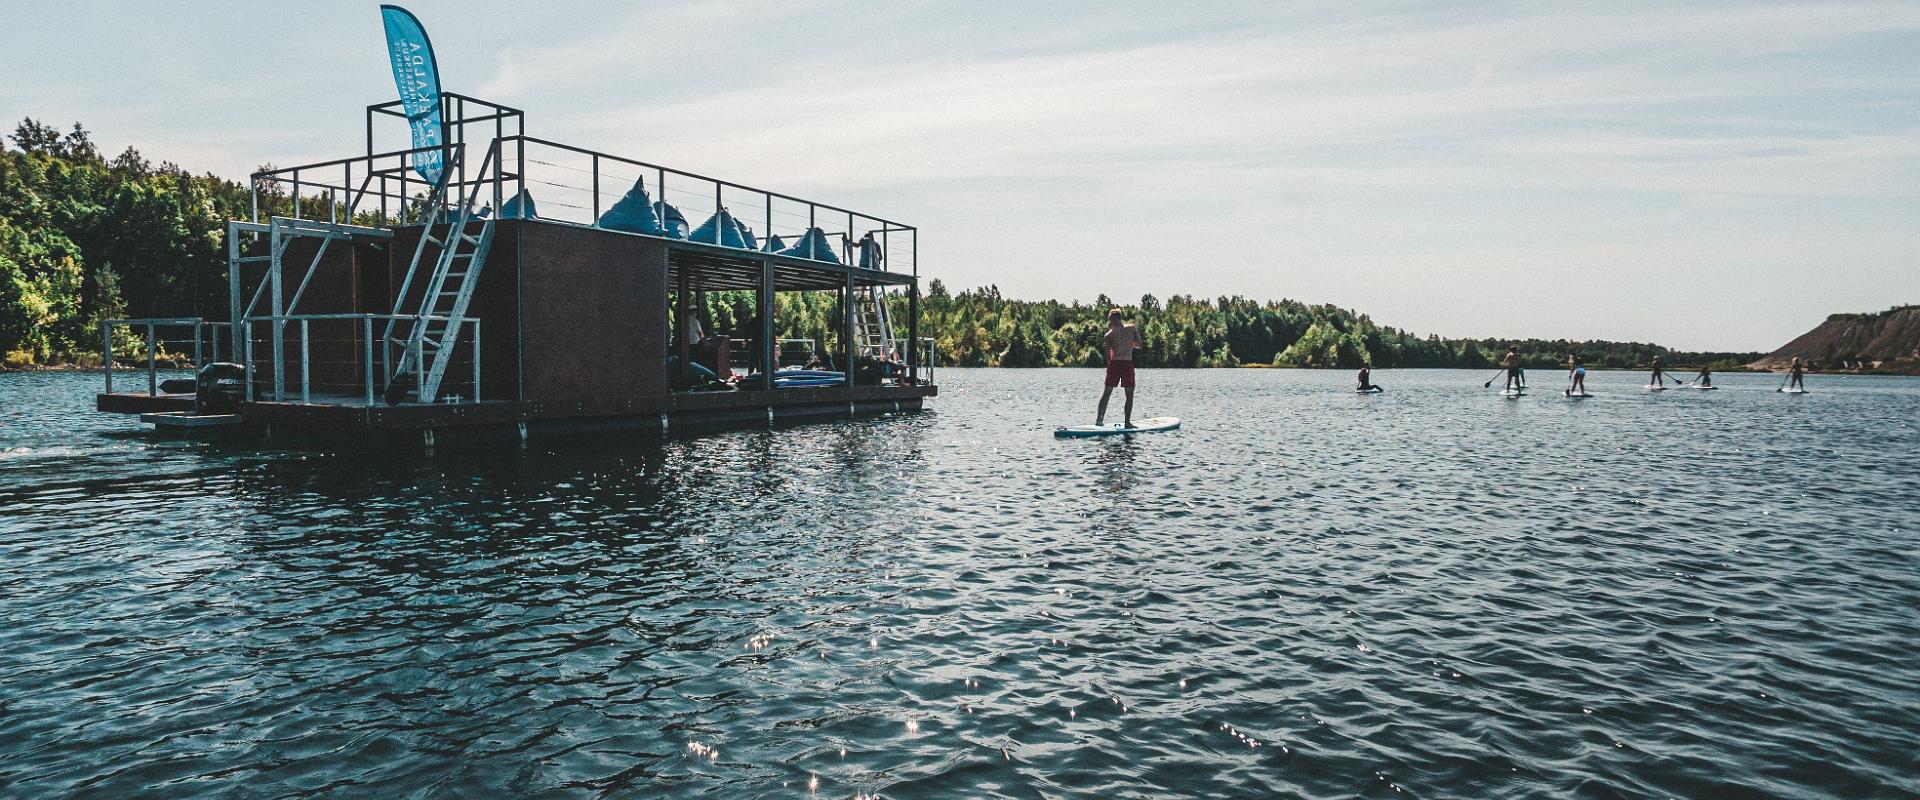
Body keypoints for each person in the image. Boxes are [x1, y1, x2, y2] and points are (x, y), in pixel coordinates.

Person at [1096, 308, 1144, 427]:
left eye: (1110, 319)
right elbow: (1139, 344)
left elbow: (1108, 355)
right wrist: (1127, 343)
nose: (1109, 322)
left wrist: (1109, 365)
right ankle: (1127, 423)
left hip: (1116, 364)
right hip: (1126, 363)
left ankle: (1099, 420)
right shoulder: (1132, 328)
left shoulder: (1109, 335)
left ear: (1114, 318)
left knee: (1108, 392)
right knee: (1128, 394)